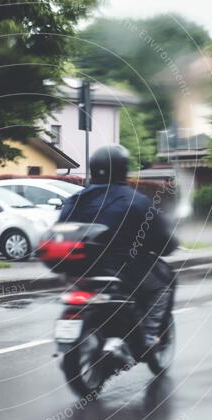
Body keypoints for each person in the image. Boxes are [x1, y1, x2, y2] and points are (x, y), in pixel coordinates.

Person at [57, 144, 178, 359]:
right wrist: (167, 245)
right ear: (123, 169)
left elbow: (62, 230)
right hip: (123, 270)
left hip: (79, 271)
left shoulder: (74, 200)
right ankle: (149, 338)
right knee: (165, 283)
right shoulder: (136, 201)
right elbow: (161, 238)